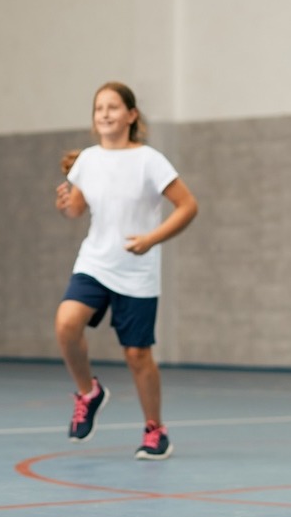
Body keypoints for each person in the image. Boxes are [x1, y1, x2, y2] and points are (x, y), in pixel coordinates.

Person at [53, 81, 198, 460]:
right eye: (99, 107)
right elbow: (77, 210)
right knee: (67, 324)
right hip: (95, 262)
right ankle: (89, 393)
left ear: (131, 115)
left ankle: (155, 429)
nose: (104, 113)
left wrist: (152, 239)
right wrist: (67, 203)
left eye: (113, 107)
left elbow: (187, 206)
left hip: (136, 269)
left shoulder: (150, 160)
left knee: (137, 355)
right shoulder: (87, 159)